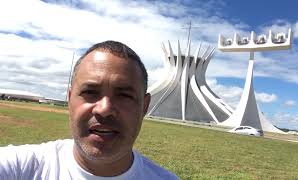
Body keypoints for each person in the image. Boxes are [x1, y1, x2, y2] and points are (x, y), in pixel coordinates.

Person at [0, 40, 179, 179]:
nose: (104, 109)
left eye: (124, 95)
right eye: (90, 92)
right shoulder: (20, 168)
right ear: (70, 100)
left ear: (144, 107)